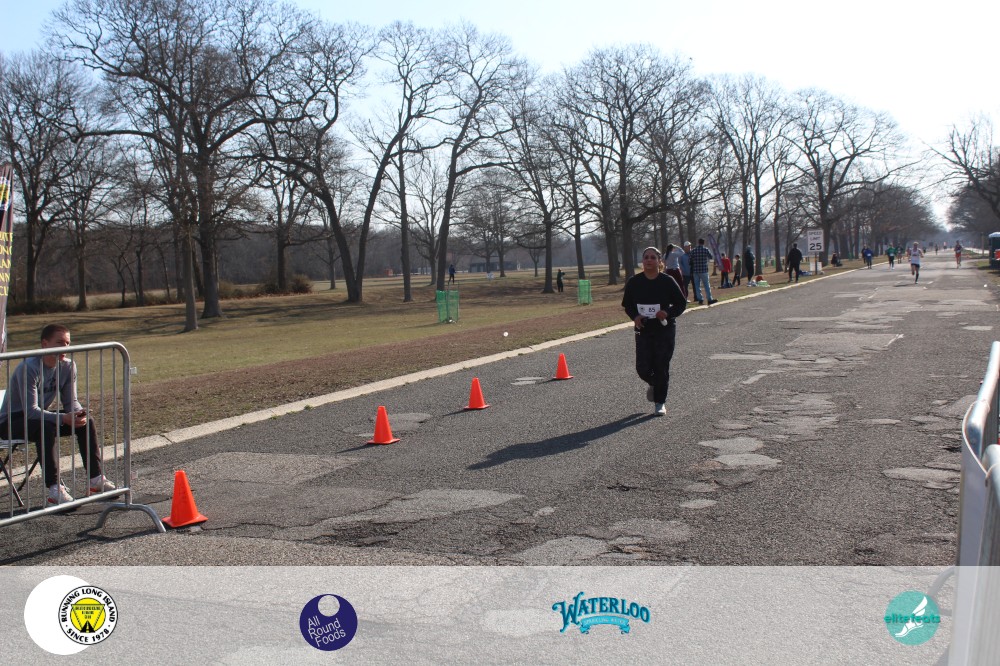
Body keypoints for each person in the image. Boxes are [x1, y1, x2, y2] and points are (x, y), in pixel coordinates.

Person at [0, 324, 115, 505]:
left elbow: (71, 402)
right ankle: (55, 489)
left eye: (68, 343)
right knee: (45, 426)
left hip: (39, 418)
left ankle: (95, 479)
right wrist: (63, 418)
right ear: (45, 344)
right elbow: (30, 411)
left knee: (87, 422)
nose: (65, 347)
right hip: (11, 421)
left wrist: (78, 414)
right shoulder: (28, 367)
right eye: (60, 342)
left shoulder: (68, 366)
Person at [622, 247, 687, 416]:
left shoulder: (667, 281)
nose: (649, 260)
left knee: (661, 366)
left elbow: (681, 304)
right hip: (643, 329)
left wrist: (667, 312)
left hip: (664, 329)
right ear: (642, 261)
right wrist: (635, 316)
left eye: (652, 257)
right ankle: (654, 383)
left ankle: (660, 402)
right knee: (642, 368)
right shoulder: (634, 282)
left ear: (660, 262)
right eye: (646, 257)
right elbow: (627, 305)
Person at [689, 238, 717, 305]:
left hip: (696, 270)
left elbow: (689, 260)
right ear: (703, 243)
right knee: (706, 285)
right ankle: (709, 299)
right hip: (704, 270)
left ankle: (700, 299)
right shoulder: (705, 250)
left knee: (697, 286)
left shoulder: (694, 250)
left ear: (698, 242)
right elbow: (711, 257)